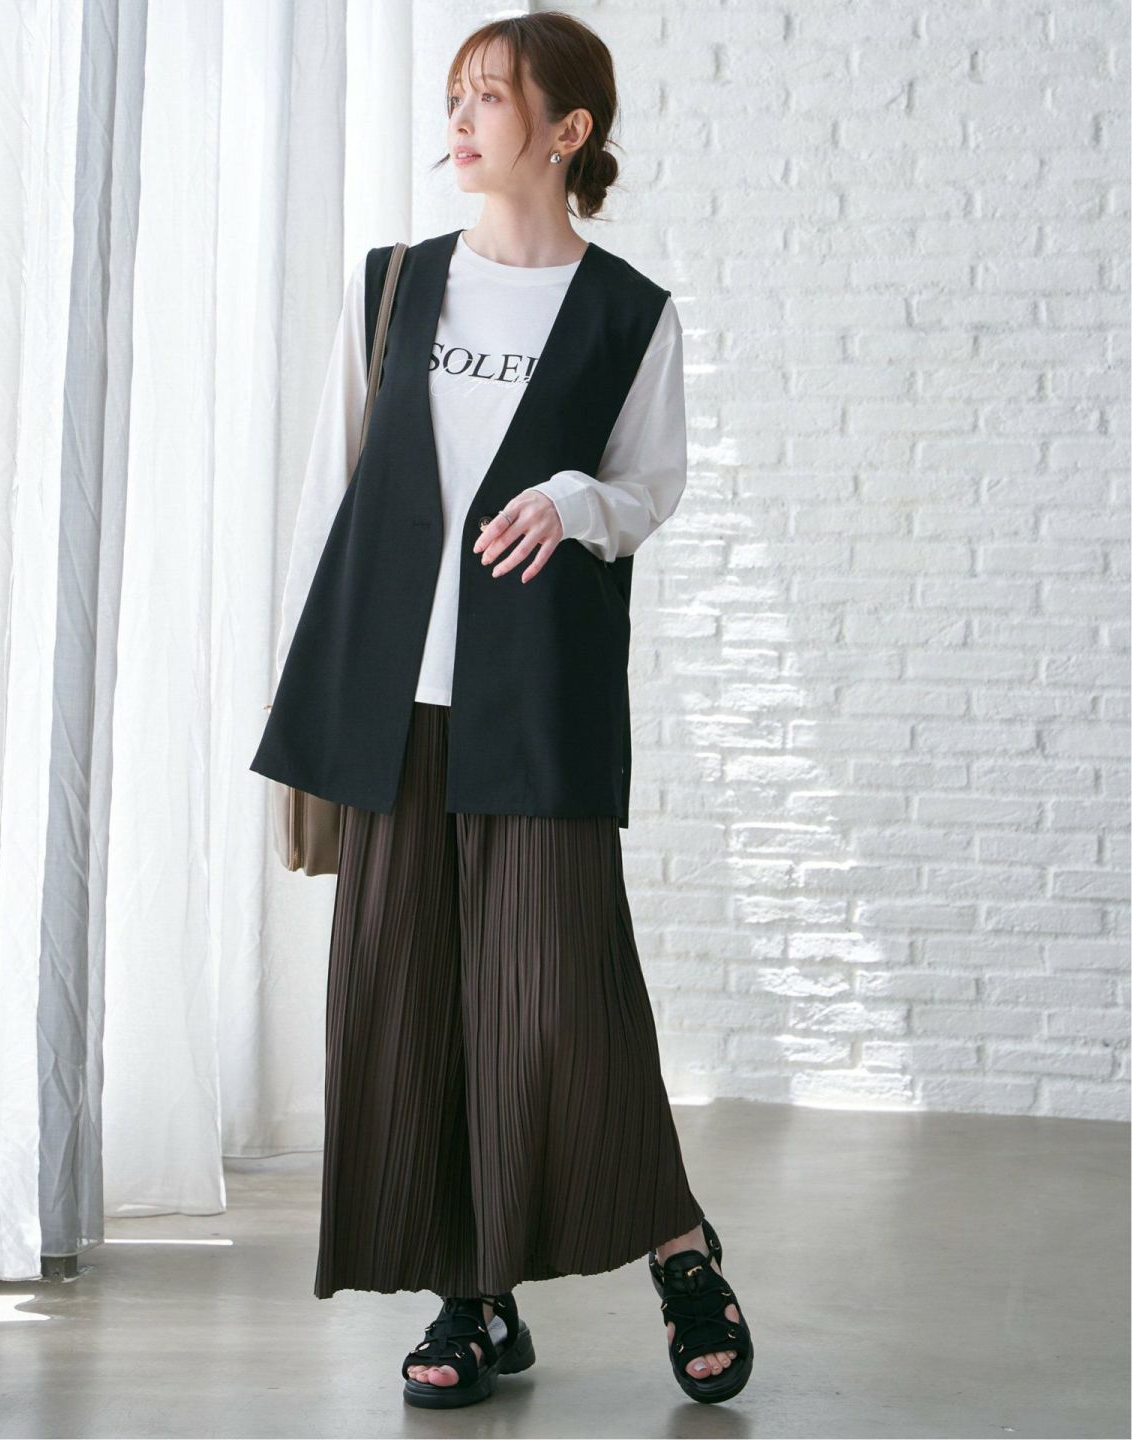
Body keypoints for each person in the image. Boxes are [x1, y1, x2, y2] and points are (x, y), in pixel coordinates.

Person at [256, 11, 754, 1411]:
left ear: (567, 130)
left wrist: (574, 500)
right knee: (409, 1005)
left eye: (491, 97)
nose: (461, 120)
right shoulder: (396, 284)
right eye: (456, 95)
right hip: (390, 701)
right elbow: (333, 492)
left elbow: (649, 488)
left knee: (561, 1000)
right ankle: (472, 1302)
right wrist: (305, 694)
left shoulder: (630, 312)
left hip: (538, 702)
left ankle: (678, 1244)